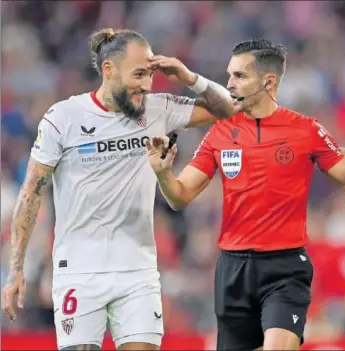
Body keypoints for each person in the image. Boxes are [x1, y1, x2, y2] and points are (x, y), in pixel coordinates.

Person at [1, 28, 237, 351]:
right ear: (109, 70)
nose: (146, 84)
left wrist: (188, 76)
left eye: (150, 74)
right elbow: (31, 193)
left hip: (137, 271)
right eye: (138, 74)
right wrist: (16, 270)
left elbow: (229, 109)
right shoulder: (63, 119)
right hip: (79, 273)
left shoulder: (158, 109)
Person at [145, 39, 345, 350]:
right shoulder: (220, 132)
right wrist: (163, 173)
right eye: (230, 75)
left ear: (269, 81)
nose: (229, 84)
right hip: (233, 269)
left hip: (285, 268)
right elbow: (179, 197)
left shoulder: (307, 130)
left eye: (240, 76)